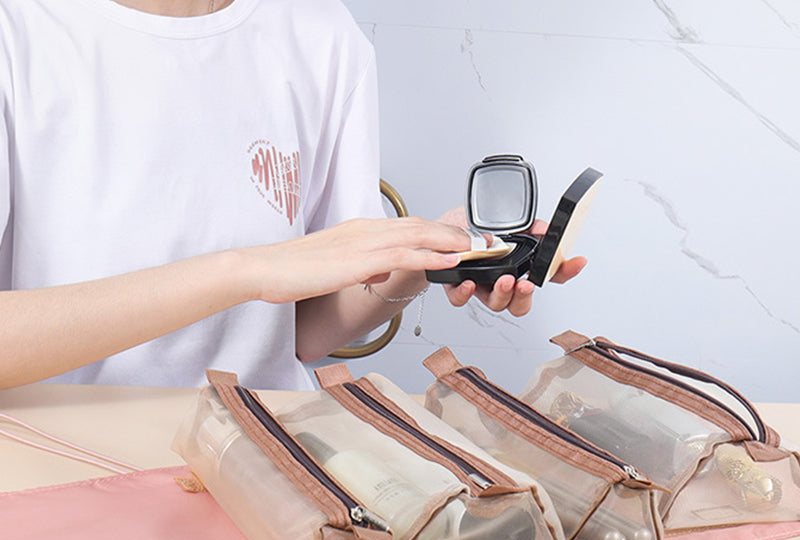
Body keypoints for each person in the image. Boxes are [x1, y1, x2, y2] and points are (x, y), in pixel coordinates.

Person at [0, 0, 586, 391]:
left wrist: (417, 260)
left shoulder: (320, 33)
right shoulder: (21, 29)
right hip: (64, 449)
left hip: (261, 448)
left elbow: (303, 333)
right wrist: (249, 271)